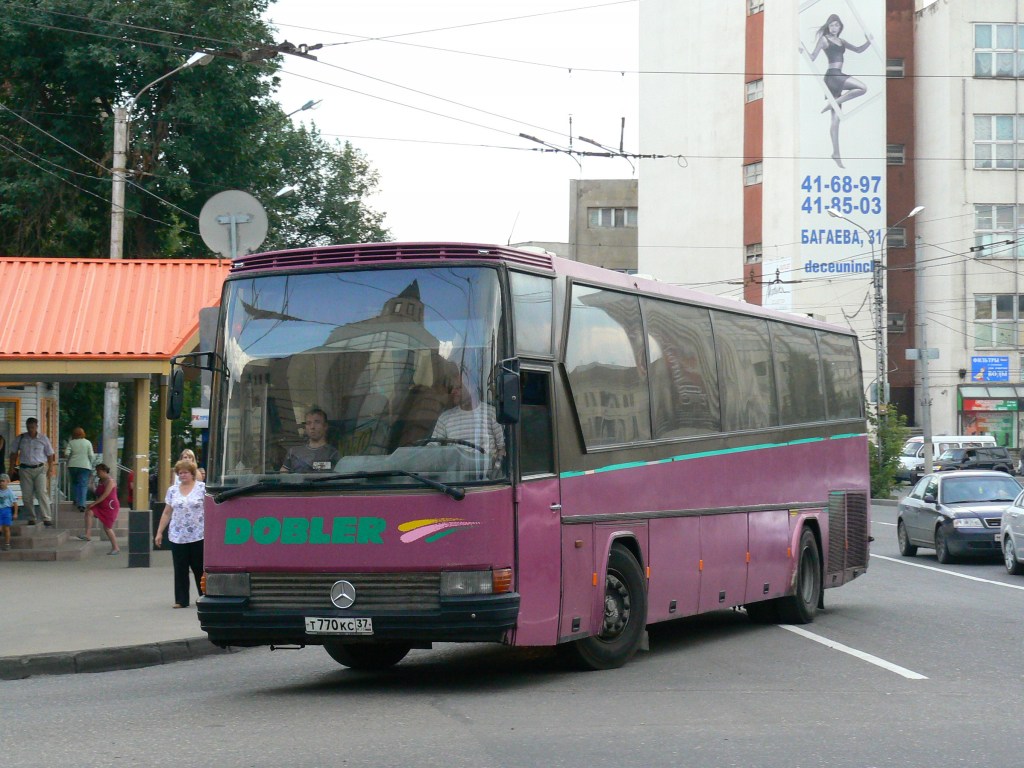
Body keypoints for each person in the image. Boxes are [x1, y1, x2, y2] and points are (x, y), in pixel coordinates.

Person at [805, 14, 871, 168]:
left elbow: (859, 50)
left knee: (836, 120)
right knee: (862, 88)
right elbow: (813, 57)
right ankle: (833, 103)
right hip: (833, 76)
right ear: (828, 26)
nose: (835, 28)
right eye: (832, 25)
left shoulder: (841, 41)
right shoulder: (824, 39)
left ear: (840, 27)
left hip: (837, 76)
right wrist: (802, 50)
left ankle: (836, 153)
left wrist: (869, 41)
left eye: (837, 25)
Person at [155, 459, 205, 608]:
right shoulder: (172, 490)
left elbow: (211, 509)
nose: (182, 475)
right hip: (178, 535)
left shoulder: (202, 488)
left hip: (198, 534)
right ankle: (181, 600)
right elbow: (167, 512)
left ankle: (205, 596)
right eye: (180, 473)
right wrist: (159, 532)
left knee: (199, 567)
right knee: (180, 568)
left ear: (192, 474)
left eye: (186, 473)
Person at [431, 375, 505, 466]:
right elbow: (432, 449)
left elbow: (502, 448)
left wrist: (496, 469)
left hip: (486, 476)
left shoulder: (491, 413)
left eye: (458, 387)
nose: (453, 391)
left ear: (472, 388)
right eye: (452, 388)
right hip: (455, 476)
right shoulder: (445, 418)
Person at [9, 417, 56, 527]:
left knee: (41, 492)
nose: (31, 430)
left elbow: (50, 454)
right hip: (25, 469)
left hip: (40, 468)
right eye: (29, 427)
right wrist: (11, 467)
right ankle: (31, 517)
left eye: (33, 427)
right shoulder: (21, 438)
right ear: (26, 427)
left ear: (36, 427)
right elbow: (13, 453)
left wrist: (50, 468)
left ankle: (46, 517)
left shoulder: (43, 438)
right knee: (27, 495)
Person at [76, 463, 120, 555]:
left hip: (110, 506)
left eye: (98, 471)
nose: (97, 473)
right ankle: (87, 534)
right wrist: (91, 481)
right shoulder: (100, 481)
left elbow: (105, 495)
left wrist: (94, 503)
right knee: (89, 512)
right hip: (101, 504)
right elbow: (96, 492)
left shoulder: (110, 481)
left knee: (107, 527)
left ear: (104, 471)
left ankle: (115, 547)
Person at [280, 408, 339, 473]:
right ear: (305, 427)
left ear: (325, 426)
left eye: (317, 422)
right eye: (308, 423)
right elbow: (283, 475)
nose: (312, 427)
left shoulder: (332, 454)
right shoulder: (293, 452)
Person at [65, 427, 96, 514]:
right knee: (83, 485)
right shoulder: (87, 442)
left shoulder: (71, 442)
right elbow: (91, 455)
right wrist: (91, 463)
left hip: (72, 465)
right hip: (85, 466)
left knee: (74, 483)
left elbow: (67, 453)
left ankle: (76, 499)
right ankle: (82, 505)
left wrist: (69, 459)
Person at [0, 473, 17, 551]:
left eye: (3, 481)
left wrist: (15, 513)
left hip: (6, 510)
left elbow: (15, 503)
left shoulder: (10, 492)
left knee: (6, 528)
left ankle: (7, 544)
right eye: (0, 481)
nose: (1, 483)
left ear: (7, 482)